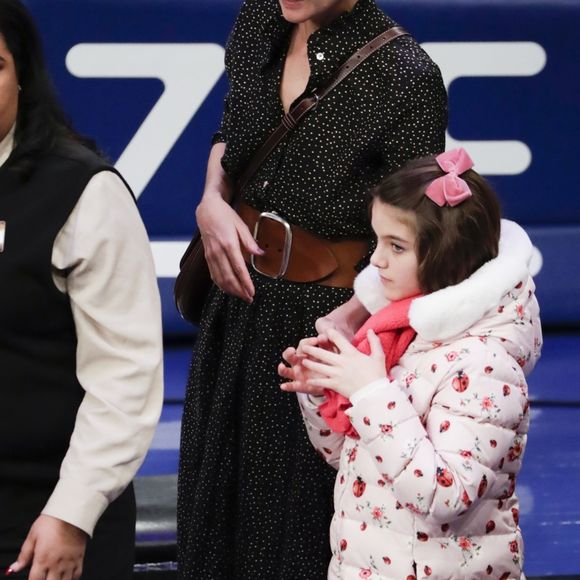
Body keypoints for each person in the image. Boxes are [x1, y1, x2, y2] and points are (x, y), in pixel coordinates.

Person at [177, 0, 447, 577]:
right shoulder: (258, 21)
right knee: (215, 524)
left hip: (323, 333)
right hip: (238, 306)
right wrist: (211, 201)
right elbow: (232, 131)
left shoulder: (406, 74)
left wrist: (349, 321)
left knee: (295, 537)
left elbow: (414, 238)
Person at [280, 148, 542, 578]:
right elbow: (353, 460)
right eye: (377, 240)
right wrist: (327, 391)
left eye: (396, 246)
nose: (376, 260)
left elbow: (445, 496)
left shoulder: (485, 364)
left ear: (448, 255)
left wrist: (369, 391)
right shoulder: (397, 330)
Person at [0, 1, 163, 578]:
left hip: (44, 516)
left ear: (21, 73)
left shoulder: (84, 191)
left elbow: (125, 374)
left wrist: (72, 514)